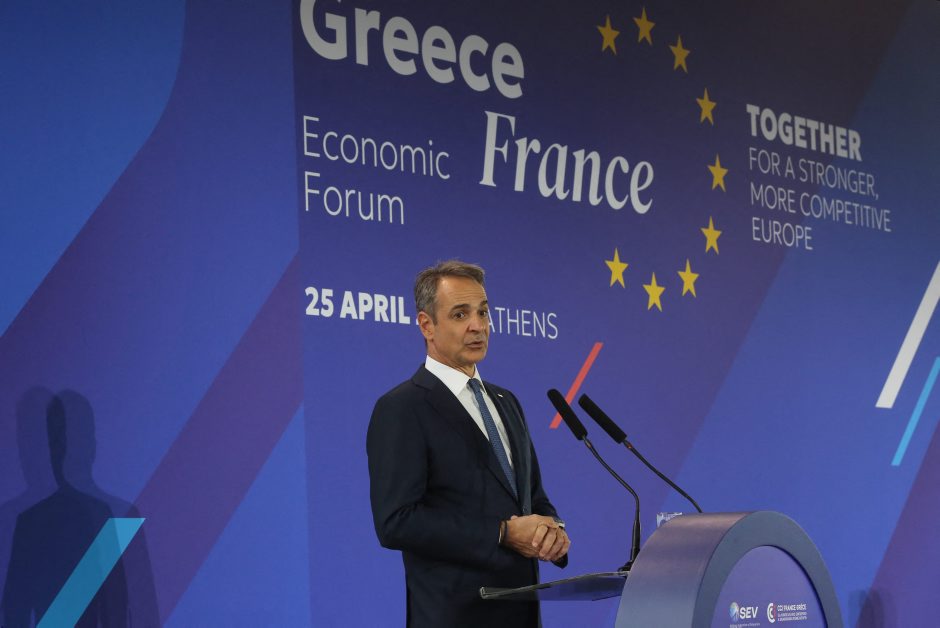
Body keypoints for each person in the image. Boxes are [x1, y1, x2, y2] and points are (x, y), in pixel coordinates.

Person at [367, 260, 570, 627]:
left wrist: (551, 531)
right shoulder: (403, 408)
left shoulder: (506, 402)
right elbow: (396, 521)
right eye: (460, 314)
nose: (478, 325)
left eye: (483, 312)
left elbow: (533, 497)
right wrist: (502, 533)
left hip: (522, 614)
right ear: (427, 325)